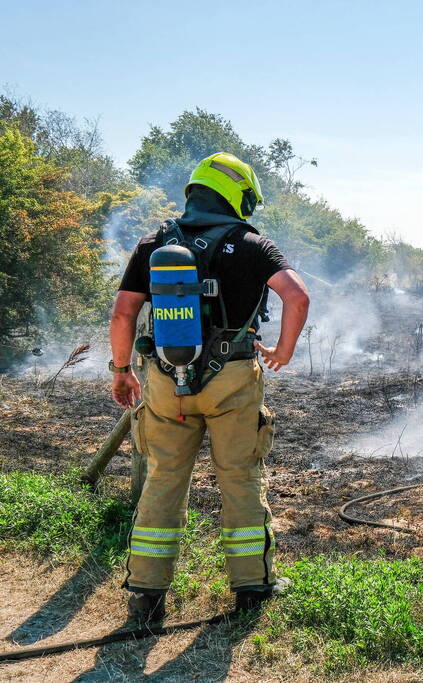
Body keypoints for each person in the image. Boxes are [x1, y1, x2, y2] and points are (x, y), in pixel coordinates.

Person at [108, 152, 310, 624]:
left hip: (163, 383)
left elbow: (123, 314)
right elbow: (297, 295)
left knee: (162, 478)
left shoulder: (153, 243)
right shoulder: (253, 243)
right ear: (237, 194)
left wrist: (122, 370)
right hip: (232, 381)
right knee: (239, 478)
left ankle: (146, 595)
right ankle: (252, 589)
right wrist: (282, 350)